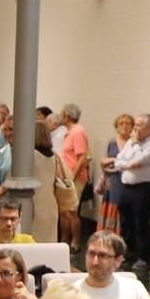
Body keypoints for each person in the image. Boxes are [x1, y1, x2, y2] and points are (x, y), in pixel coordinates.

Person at [110, 115, 150, 267]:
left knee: (141, 224)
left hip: (143, 188)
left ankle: (143, 257)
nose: (135, 128)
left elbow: (139, 159)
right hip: (126, 187)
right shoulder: (131, 141)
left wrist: (135, 148)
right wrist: (128, 162)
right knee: (126, 223)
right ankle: (129, 253)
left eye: (139, 125)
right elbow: (118, 161)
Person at [73, 232, 150, 299]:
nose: (95, 262)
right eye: (91, 254)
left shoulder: (135, 288)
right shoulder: (72, 293)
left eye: (102, 256)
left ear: (118, 261)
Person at [55, 104, 90, 246]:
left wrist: (72, 178)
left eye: (62, 114)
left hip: (74, 178)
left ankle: (75, 241)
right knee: (64, 211)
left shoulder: (78, 132)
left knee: (72, 211)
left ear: (67, 116)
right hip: (65, 177)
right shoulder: (69, 132)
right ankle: (64, 240)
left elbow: (82, 157)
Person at [100, 113, 134, 234]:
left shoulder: (134, 143)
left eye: (128, 123)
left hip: (128, 183)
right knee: (112, 207)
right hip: (113, 182)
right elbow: (103, 161)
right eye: (121, 123)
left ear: (132, 127)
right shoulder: (111, 142)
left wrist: (116, 163)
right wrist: (117, 161)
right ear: (117, 126)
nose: (124, 126)